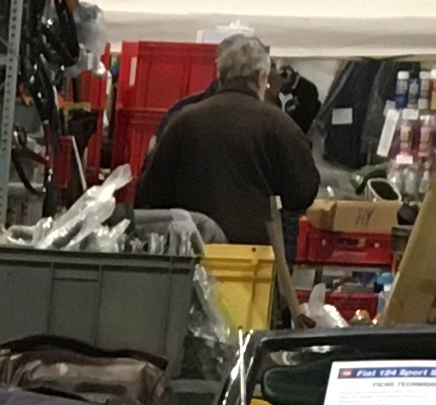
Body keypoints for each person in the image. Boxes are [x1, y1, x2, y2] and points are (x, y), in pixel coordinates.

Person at [135, 28, 320, 251]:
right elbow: (303, 192)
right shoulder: (281, 125)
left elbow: (151, 192)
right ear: (262, 78)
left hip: (192, 251)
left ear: (220, 74)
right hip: (252, 256)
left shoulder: (184, 120)